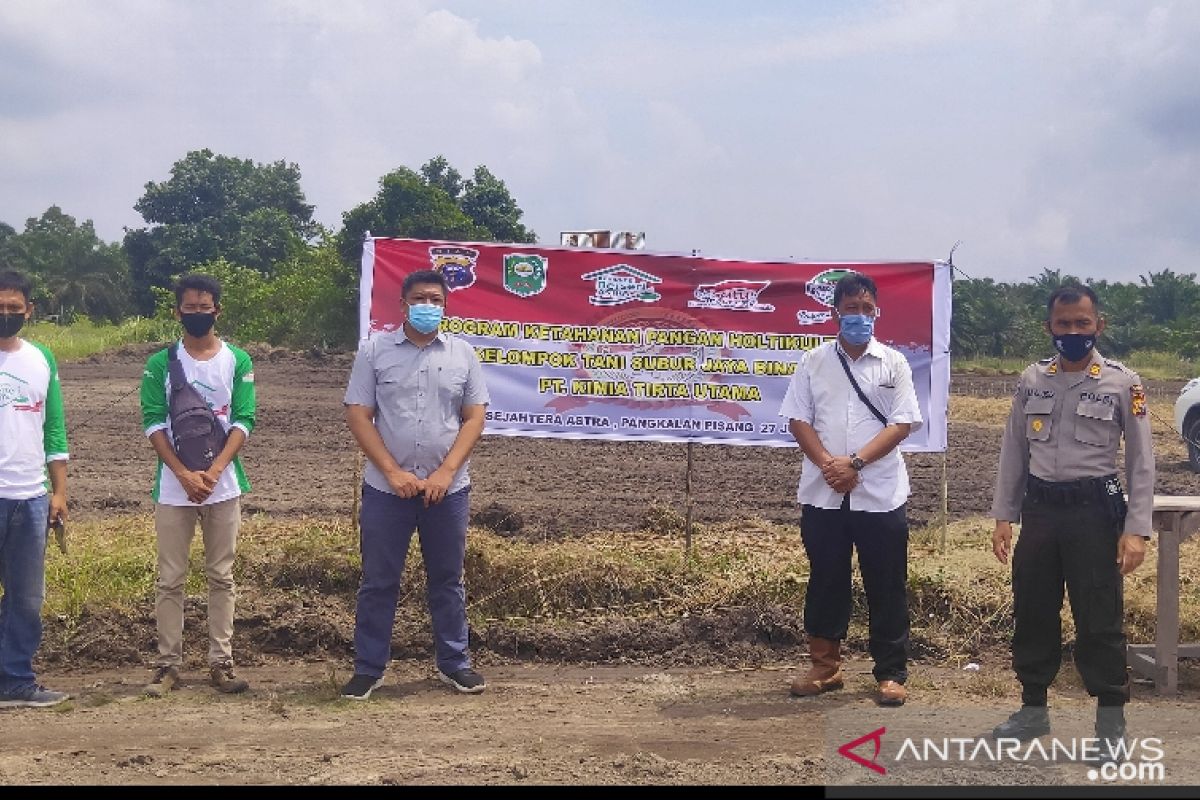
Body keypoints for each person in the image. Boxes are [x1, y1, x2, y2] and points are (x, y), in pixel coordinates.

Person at [990, 283, 1153, 762]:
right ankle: (1033, 710)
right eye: (1064, 324)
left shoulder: (1125, 383)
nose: (1074, 332)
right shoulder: (1031, 379)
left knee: (1099, 619)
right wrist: (1004, 515)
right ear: (1049, 328)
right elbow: (1013, 452)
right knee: (1033, 611)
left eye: (1083, 323)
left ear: (1098, 326)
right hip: (1040, 510)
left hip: (1095, 513)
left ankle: (1110, 727)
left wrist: (1137, 528)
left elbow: (1142, 463)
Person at [340, 269, 489, 701]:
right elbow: (357, 414)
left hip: (449, 489)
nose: (429, 306)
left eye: (436, 300)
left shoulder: (463, 354)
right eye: (420, 299)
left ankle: (455, 664)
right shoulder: (374, 351)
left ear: (445, 306)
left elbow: (474, 417)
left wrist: (445, 473)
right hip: (388, 490)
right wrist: (392, 471)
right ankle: (369, 669)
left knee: (447, 579)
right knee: (378, 581)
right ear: (402, 306)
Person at [779, 271, 923, 707]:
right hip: (824, 491)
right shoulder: (813, 362)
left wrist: (855, 463)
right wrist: (829, 465)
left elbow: (902, 423)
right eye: (850, 309)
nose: (859, 316)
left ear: (876, 312)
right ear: (834, 313)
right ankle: (826, 667)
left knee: (887, 582)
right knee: (826, 579)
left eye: (866, 308)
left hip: (879, 492)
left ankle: (891, 673)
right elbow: (798, 420)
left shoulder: (894, 363)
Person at [139, 273, 256, 697]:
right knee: (170, 578)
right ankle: (168, 664)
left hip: (223, 487)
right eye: (190, 309)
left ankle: (220, 662)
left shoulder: (237, 361)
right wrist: (183, 475)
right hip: (173, 490)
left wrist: (214, 471)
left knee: (221, 576)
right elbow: (153, 422)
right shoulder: (159, 364)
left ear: (217, 311)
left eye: (204, 308)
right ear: (178, 312)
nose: (197, 315)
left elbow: (244, 419)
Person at [0, 270, 70, 708]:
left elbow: (55, 431)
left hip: (30, 497)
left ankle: (15, 680)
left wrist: (58, 493)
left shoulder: (41, 359)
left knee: (26, 598)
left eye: (13, 307)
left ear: (29, 310)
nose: (5, 314)